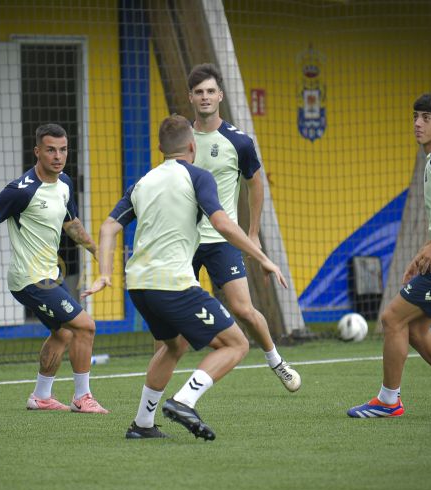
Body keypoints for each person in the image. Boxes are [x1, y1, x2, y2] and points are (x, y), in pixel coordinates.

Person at [83, 114, 288, 440]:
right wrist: (263, 258)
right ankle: (184, 401)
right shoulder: (199, 177)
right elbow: (221, 224)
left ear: (160, 148)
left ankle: (142, 424)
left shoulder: (143, 182)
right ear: (192, 146)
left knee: (173, 345)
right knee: (236, 344)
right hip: (173, 285)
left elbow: (108, 227)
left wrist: (105, 274)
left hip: (137, 284)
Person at [0, 124, 109, 414]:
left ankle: (41, 397)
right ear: (37, 151)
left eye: (62, 150)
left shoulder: (65, 184)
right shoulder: (19, 191)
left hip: (50, 276)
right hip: (29, 279)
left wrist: (96, 250)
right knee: (85, 326)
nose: (58, 156)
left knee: (64, 333)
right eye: (50, 150)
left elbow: (71, 223)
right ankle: (82, 397)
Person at [348, 94, 431, 418]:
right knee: (416, 329)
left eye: (426, 117)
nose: (418, 123)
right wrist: (426, 251)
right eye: (415, 117)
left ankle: (388, 401)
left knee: (392, 318)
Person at [186, 63, 301, 392]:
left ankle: (275, 360)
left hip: (223, 239)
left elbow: (255, 184)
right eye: (199, 92)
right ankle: (155, 391)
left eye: (210, 91)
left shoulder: (239, 141)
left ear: (220, 95)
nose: (205, 97)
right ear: (190, 98)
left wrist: (251, 232)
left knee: (243, 309)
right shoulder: (182, 138)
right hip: (185, 241)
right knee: (169, 317)